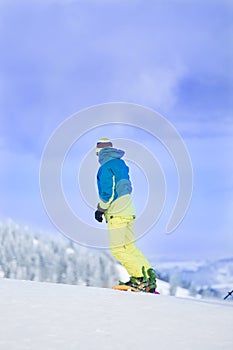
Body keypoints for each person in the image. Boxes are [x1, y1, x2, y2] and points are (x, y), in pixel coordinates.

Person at [94, 137, 157, 293]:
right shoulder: (121, 164)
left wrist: (100, 209)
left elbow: (107, 193)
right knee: (130, 247)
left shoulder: (105, 167)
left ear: (99, 152)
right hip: (129, 210)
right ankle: (149, 278)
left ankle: (139, 280)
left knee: (117, 249)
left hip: (117, 212)